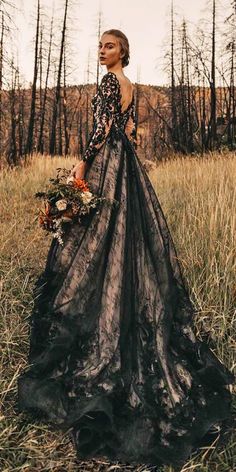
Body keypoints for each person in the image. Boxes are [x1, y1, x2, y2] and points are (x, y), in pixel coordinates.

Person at [17, 29, 234, 469]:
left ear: (124, 52)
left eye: (110, 45)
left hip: (108, 163)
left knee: (95, 240)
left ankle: (95, 318)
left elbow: (103, 129)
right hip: (127, 166)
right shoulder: (133, 89)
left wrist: (82, 162)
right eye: (99, 45)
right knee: (119, 241)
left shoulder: (111, 83)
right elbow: (127, 128)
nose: (102, 51)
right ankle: (115, 308)